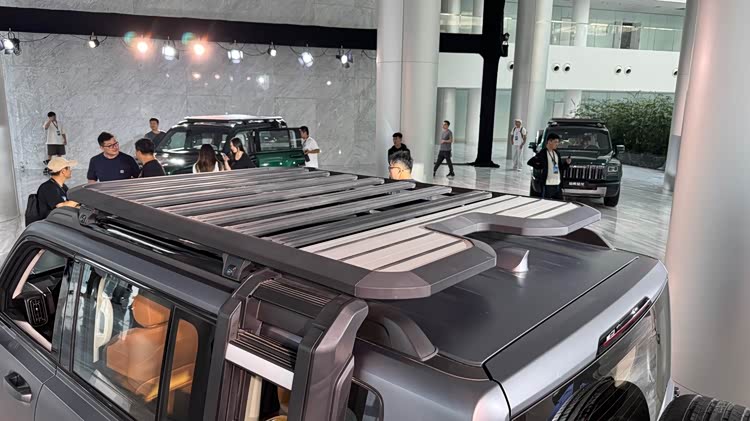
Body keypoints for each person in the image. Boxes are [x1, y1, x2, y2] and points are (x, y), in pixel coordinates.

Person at [527, 132, 572, 200]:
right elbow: (530, 162)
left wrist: (567, 163)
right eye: (555, 142)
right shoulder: (543, 153)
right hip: (547, 185)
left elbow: (560, 168)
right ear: (549, 141)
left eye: (558, 142)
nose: (557, 144)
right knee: (546, 203)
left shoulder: (557, 153)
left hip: (557, 185)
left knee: (559, 203)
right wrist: (540, 166)